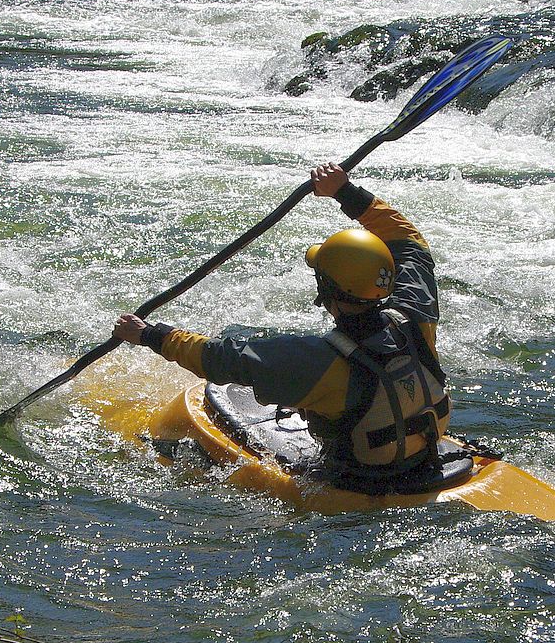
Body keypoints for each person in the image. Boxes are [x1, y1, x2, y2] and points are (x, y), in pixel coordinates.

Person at [112, 162, 451, 486]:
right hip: (425, 463)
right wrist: (345, 191)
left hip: (363, 482)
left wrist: (148, 334)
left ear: (325, 289)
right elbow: (410, 243)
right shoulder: (415, 314)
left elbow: (217, 359)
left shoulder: (313, 360)